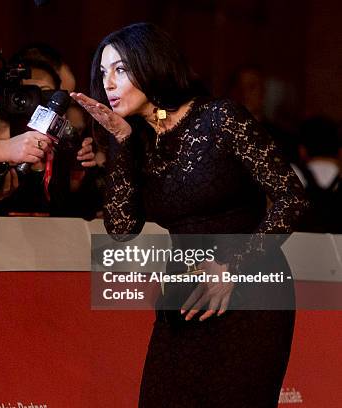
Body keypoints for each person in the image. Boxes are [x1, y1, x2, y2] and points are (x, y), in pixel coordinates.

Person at [71, 23, 308, 407]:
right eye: (103, 73)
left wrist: (231, 266)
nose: (109, 84)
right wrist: (119, 143)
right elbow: (121, 228)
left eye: (120, 70)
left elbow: (291, 197)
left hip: (252, 289)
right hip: (184, 294)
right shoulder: (137, 141)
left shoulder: (219, 118)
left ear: (151, 65)